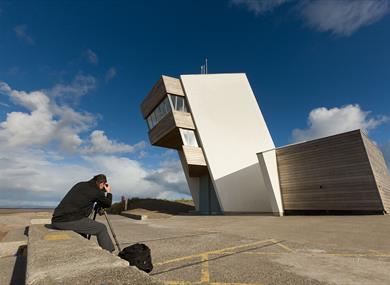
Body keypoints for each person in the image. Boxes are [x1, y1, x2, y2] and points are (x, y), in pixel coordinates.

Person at [51, 174, 115, 252]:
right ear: (102, 184)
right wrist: (108, 192)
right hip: (66, 221)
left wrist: (100, 191)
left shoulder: (80, 184)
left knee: (83, 229)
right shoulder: (95, 191)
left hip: (57, 219)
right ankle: (109, 254)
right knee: (101, 228)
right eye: (104, 185)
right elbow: (108, 203)